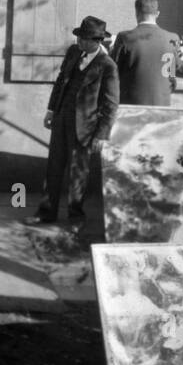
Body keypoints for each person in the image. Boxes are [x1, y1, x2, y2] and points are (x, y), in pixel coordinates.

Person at [30, 15, 120, 230]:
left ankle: (75, 218)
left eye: (84, 38)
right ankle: (46, 213)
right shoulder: (73, 52)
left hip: (85, 127)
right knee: (53, 167)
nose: (79, 41)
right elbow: (61, 81)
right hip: (61, 118)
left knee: (77, 172)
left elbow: (111, 104)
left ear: (96, 41)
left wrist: (101, 134)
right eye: (79, 37)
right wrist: (51, 110)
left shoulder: (107, 66)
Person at [112, 0, 179, 106]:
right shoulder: (172, 38)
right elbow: (172, 73)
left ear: (137, 13)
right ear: (157, 14)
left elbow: (114, 70)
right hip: (162, 103)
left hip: (132, 105)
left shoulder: (125, 37)